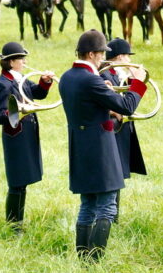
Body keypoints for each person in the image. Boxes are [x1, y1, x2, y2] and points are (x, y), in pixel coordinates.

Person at [58, 30, 148, 261]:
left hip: (80, 147)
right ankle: (95, 260)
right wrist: (137, 82)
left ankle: (83, 258)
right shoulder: (91, 80)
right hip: (100, 147)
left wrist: (104, 92)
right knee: (107, 205)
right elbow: (127, 106)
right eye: (100, 54)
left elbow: (90, 104)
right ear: (91, 54)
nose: (102, 59)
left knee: (87, 204)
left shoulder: (68, 77)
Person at [0, 42, 54, 232]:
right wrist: (18, 110)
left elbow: (38, 94)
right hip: (15, 138)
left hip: (27, 135)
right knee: (17, 183)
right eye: (21, 58)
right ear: (10, 62)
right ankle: (13, 225)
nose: (25, 61)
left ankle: (17, 221)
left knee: (23, 181)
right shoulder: (2, 85)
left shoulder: (21, 79)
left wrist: (45, 82)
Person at [99, 38, 147, 223]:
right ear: (120, 57)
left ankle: (113, 216)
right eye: (128, 56)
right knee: (113, 175)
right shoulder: (104, 75)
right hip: (112, 129)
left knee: (117, 175)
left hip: (121, 129)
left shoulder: (116, 74)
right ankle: (110, 217)